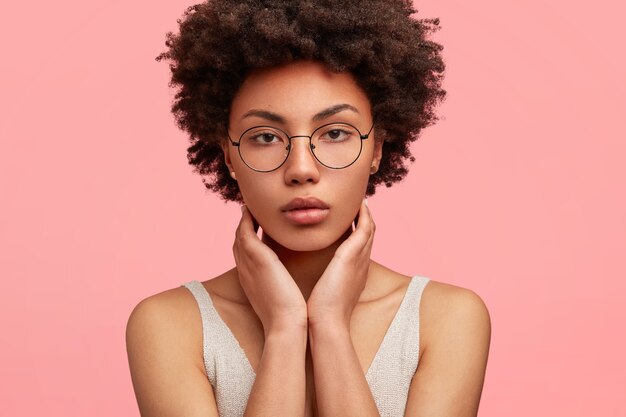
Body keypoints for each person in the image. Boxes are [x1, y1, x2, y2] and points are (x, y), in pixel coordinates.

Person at [125, 1, 491, 416]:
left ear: (378, 148)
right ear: (228, 157)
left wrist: (330, 326)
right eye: (265, 137)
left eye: (335, 132)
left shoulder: (446, 320)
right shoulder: (170, 326)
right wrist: (284, 328)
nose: (301, 169)